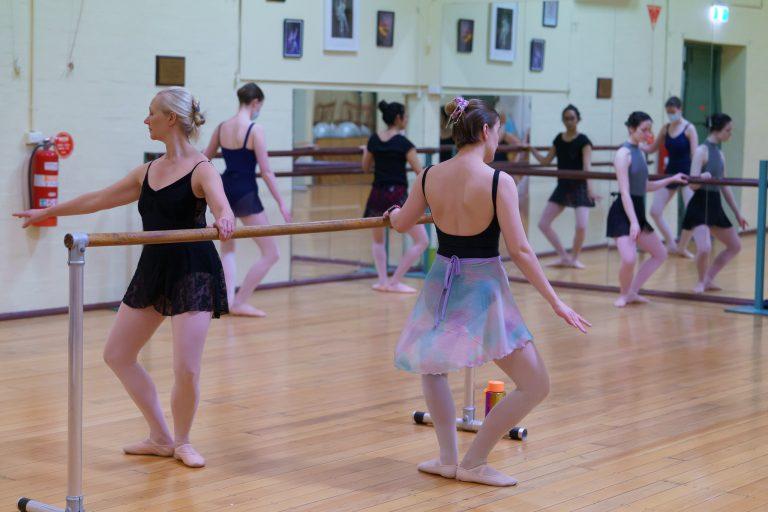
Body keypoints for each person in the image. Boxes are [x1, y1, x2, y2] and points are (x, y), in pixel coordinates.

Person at [14, 87, 234, 468]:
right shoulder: (147, 172)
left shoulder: (202, 169)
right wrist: (47, 211)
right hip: (154, 268)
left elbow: (220, 204)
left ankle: (183, 441)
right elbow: (98, 198)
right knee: (117, 354)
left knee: (186, 367)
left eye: (151, 113)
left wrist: (225, 218)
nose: (145, 119)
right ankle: (160, 436)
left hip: (193, 271)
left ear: (170, 119)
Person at [388, 97, 590, 487]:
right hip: (482, 289)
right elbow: (521, 250)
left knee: (433, 367)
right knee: (536, 384)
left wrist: (393, 214)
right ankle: (473, 461)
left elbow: (401, 223)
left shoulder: (429, 175)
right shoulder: (499, 181)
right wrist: (555, 301)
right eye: (497, 132)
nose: (498, 140)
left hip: (443, 281)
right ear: (485, 131)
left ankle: (449, 458)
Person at [204, 83, 291, 317]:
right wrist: (281, 202)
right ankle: (239, 301)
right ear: (255, 103)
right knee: (271, 252)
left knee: (228, 248)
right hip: (245, 193)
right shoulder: (255, 129)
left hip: (224, 190)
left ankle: (229, 301)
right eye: (260, 106)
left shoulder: (222, 127)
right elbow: (266, 171)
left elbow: (204, 159)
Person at [606, 112, 687, 307]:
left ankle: (632, 292)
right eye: (644, 130)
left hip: (637, 210)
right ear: (631, 129)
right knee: (629, 258)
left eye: (649, 129)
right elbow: (625, 192)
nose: (647, 133)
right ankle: (623, 294)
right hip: (623, 212)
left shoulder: (640, 151)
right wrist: (633, 221)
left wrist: (670, 179)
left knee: (660, 253)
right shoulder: (622, 154)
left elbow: (644, 186)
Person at [361, 100, 428, 293]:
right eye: (405, 116)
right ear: (398, 118)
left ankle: (383, 281)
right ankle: (395, 281)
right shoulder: (404, 143)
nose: (406, 119)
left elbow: (365, 168)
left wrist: (366, 151)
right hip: (397, 197)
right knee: (422, 241)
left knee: (378, 240)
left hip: (377, 194)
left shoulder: (373, 140)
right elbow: (420, 172)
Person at [682, 113, 747, 293]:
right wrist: (701, 178)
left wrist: (737, 213)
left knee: (735, 246)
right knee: (704, 247)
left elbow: (724, 185)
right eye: (728, 130)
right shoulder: (701, 151)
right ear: (717, 130)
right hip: (700, 203)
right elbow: (692, 184)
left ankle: (708, 278)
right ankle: (701, 281)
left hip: (715, 205)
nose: (730, 134)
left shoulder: (719, 153)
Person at [530, 105, 599, 268]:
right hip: (563, 186)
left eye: (572, 118)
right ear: (563, 120)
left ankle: (574, 258)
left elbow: (587, 167)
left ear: (578, 119)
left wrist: (591, 190)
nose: (569, 121)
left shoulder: (584, 141)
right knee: (543, 223)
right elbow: (546, 161)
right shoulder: (558, 139)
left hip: (580, 186)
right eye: (566, 118)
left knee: (581, 226)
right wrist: (531, 149)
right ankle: (564, 256)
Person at [642, 96, 698, 257]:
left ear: (680, 109)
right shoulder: (666, 128)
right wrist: (638, 145)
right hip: (671, 174)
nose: (671, 115)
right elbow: (652, 148)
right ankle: (671, 243)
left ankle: (683, 247)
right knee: (654, 211)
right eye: (668, 112)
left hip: (687, 176)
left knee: (692, 212)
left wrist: (696, 177)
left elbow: (695, 154)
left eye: (673, 112)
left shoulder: (689, 128)